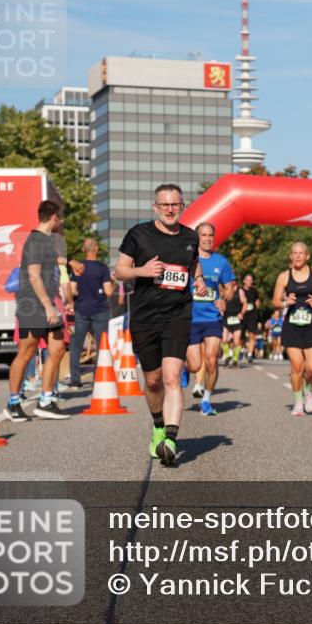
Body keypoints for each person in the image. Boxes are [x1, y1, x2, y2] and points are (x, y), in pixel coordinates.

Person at [114, 184, 208, 467]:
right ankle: (158, 426)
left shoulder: (190, 238)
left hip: (177, 315)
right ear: (156, 207)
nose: (170, 209)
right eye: (165, 205)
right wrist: (141, 271)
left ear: (182, 206)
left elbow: (194, 268)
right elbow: (119, 270)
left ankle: (170, 438)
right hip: (145, 317)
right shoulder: (138, 234)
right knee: (153, 380)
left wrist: (200, 281)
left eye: (175, 205)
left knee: (171, 377)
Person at [1, 200, 71, 421]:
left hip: (46, 302)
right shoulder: (35, 240)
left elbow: (50, 261)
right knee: (27, 352)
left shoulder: (45, 241)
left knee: (58, 347)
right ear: (54, 218)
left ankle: (46, 400)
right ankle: (13, 403)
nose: (61, 223)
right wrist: (49, 307)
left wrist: (71, 262)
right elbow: (33, 275)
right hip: (33, 305)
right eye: (60, 218)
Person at [272, 242, 312, 416]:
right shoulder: (284, 277)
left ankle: (308, 390)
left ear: (307, 256)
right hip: (292, 324)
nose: (298, 256)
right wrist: (285, 302)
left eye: (301, 253)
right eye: (295, 253)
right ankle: (298, 401)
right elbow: (275, 301)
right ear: (291, 256)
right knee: (297, 367)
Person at [186, 223, 236, 415]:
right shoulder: (188, 260)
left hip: (212, 319)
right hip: (190, 318)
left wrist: (224, 299)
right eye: (203, 235)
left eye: (210, 235)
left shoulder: (221, 262)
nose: (207, 238)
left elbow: (230, 287)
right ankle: (185, 368)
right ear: (197, 237)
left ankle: (206, 400)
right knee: (195, 365)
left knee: (212, 360)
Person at [68, 238, 113, 389]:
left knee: (77, 345)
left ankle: (75, 380)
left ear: (83, 250)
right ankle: (97, 379)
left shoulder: (78, 268)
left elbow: (72, 290)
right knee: (101, 345)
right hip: (100, 309)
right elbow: (108, 291)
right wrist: (112, 281)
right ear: (97, 249)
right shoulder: (102, 268)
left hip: (82, 309)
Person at [240, 274, 261, 365]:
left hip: (252, 315)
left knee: (252, 335)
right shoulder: (240, 290)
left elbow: (257, 301)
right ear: (244, 281)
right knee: (241, 337)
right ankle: (243, 349)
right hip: (242, 315)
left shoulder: (254, 291)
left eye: (251, 280)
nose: (249, 281)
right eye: (247, 280)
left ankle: (249, 355)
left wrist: (257, 305)